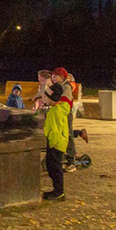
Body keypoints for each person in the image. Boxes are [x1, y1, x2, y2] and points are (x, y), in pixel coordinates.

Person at [37, 67, 71, 200]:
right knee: (52, 167)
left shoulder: (57, 110)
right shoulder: (54, 109)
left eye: (46, 97)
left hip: (57, 143)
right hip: (55, 141)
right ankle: (57, 190)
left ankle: (59, 192)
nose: (44, 99)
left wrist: (51, 141)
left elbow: (56, 129)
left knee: (55, 168)